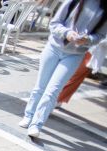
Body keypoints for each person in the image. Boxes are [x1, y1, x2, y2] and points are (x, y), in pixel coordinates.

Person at [19, 0, 106, 138]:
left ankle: (37, 124)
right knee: (40, 86)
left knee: (53, 90)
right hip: (53, 48)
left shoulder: (103, 9)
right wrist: (67, 33)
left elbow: (100, 36)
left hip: (75, 55)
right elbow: (54, 23)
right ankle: (28, 115)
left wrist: (87, 39)